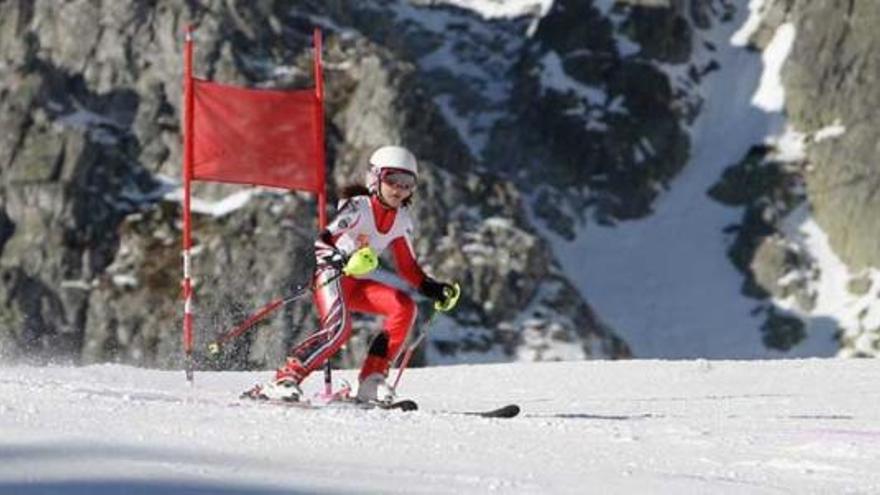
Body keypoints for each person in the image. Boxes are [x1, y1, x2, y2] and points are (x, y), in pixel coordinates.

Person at [244, 145, 460, 403]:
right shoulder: (359, 207)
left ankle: (371, 380)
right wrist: (338, 259)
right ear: (375, 178)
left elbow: (407, 267)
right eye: (392, 179)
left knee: (404, 307)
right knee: (339, 329)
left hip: (355, 283)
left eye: (407, 182)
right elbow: (323, 240)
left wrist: (432, 288)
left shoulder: (401, 220)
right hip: (331, 276)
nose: (399, 189)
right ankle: (284, 379)